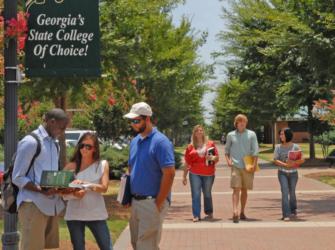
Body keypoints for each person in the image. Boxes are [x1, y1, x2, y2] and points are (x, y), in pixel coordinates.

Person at [12, 108, 69, 250]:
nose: (62, 132)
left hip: (51, 204)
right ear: (52, 122)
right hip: (33, 204)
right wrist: (40, 190)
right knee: (32, 247)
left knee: (49, 247)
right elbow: (17, 177)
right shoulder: (30, 142)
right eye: (62, 128)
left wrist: (63, 185)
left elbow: (51, 174)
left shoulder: (54, 144)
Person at [124, 102, 175, 250]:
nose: (133, 124)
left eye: (136, 120)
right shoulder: (135, 141)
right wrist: (126, 195)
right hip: (135, 202)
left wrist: (158, 202)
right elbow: (131, 168)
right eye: (131, 121)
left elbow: (169, 174)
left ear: (147, 119)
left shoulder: (160, 142)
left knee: (146, 245)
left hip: (151, 202)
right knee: (136, 244)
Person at [63, 132, 112, 250]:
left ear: (95, 149)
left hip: (96, 213)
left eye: (88, 146)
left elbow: (104, 188)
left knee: (106, 247)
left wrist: (85, 184)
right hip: (74, 214)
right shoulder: (70, 167)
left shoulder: (102, 165)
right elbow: (61, 190)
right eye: (82, 145)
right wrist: (74, 193)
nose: (84, 149)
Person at [225, 114, 259, 223]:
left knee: (244, 189)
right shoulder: (230, 135)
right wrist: (228, 161)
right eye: (240, 121)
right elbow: (226, 150)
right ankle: (235, 211)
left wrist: (254, 164)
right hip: (235, 165)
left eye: (244, 121)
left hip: (248, 165)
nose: (242, 123)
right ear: (236, 123)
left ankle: (242, 211)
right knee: (236, 188)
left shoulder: (251, 134)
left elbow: (255, 151)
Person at [182, 125, 219, 222]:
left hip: (209, 173)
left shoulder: (210, 144)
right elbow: (187, 162)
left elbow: (217, 158)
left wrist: (212, 158)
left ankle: (209, 212)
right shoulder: (190, 147)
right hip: (194, 173)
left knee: (207, 193)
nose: (199, 132)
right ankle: (196, 215)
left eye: (201, 130)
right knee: (196, 194)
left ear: (203, 132)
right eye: (197, 131)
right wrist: (184, 176)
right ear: (194, 133)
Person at [273, 128, 305, 221]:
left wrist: (295, 162)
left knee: (292, 192)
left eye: (282, 134)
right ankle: (286, 214)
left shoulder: (295, 147)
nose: (281, 136)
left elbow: (302, 159)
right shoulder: (278, 147)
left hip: (293, 174)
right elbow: (275, 160)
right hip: (282, 172)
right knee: (285, 192)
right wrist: (285, 164)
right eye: (280, 134)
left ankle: (293, 209)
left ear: (288, 135)